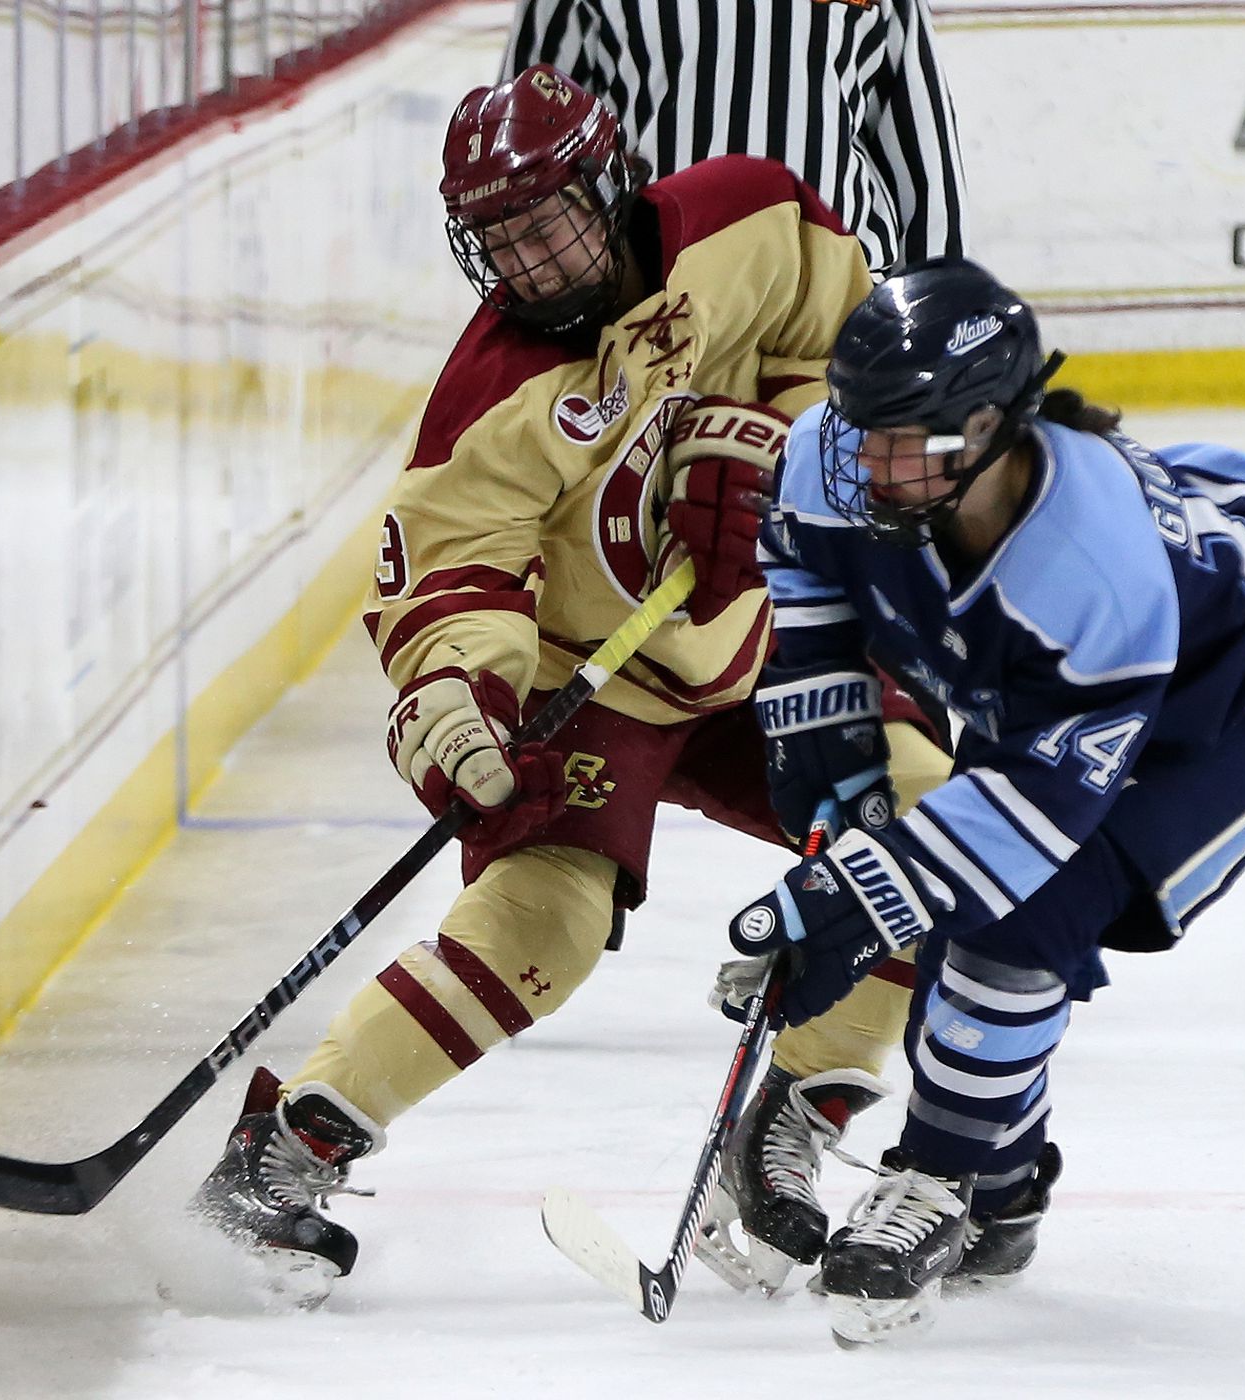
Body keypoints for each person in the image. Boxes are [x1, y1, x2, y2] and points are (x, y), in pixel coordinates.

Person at [191, 64, 953, 1304]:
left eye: (547, 220)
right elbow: (447, 582)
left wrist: (777, 446)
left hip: (769, 640)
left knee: (931, 830)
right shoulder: (490, 396)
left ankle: (790, 1129)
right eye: (496, 237)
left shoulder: (747, 218)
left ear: (609, 180)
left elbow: (853, 352)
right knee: (539, 921)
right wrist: (461, 711)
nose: (530, 260)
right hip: (591, 677)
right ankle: (288, 1148)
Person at [725, 255, 1245, 1343]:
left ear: (992, 428)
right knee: (961, 939)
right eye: (860, 428)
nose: (867, 462)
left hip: (1224, 713)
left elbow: (1029, 819)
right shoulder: (849, 450)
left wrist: (855, 896)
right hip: (1054, 687)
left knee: (1013, 927)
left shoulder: (1089, 572)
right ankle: (1005, 1194)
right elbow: (809, 566)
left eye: (902, 442)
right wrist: (830, 745)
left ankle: (939, 1182)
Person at [499, 0, 967, 276]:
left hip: (840, 305)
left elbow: (921, 145)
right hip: (659, 306)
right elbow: (521, 140)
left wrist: (938, 307)